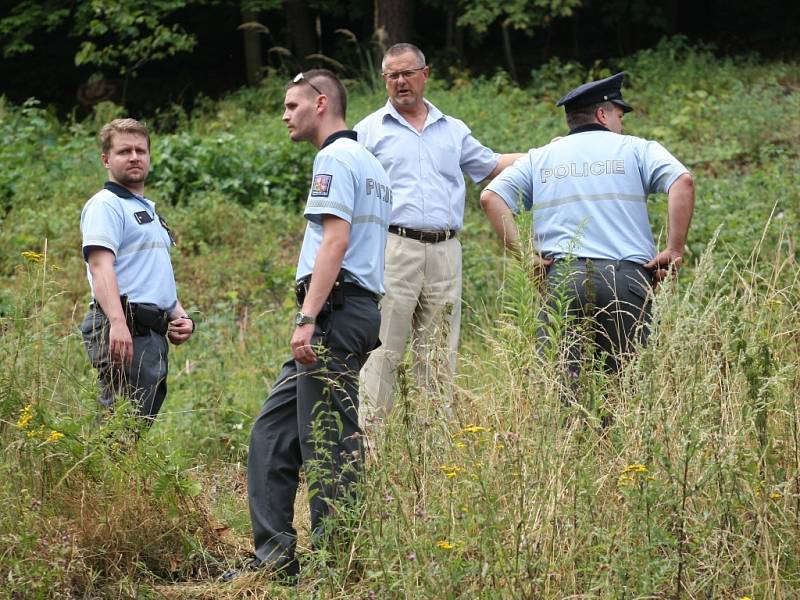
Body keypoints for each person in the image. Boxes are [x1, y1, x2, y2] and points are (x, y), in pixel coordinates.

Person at [227, 70, 392, 582]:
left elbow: (335, 242)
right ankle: (273, 559)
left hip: (335, 314)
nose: (285, 114)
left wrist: (307, 317)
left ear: (321, 104)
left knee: (328, 439)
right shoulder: (371, 164)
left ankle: (337, 566)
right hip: (352, 311)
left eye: (291, 104)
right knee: (273, 434)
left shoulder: (336, 157)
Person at [480, 72, 695, 375]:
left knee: (563, 387)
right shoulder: (637, 149)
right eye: (620, 116)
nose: (622, 125)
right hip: (626, 280)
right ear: (602, 114)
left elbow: (490, 198)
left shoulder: (540, 158)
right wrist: (674, 249)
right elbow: (682, 181)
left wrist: (526, 257)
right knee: (628, 385)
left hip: (563, 280)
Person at [355, 42, 523, 425]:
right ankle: (370, 445)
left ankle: (434, 452)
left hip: (446, 251)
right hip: (392, 249)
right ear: (384, 80)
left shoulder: (452, 130)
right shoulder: (367, 132)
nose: (400, 82)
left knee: (438, 351)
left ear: (425, 74)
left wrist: (547, 155)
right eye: (392, 76)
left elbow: (492, 164)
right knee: (383, 349)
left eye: (407, 73)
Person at [79, 118, 194, 429]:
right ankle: (96, 478)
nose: (134, 157)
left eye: (140, 151)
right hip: (124, 325)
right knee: (118, 423)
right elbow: (100, 266)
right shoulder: (106, 205)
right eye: (124, 151)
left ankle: (109, 478)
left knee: (132, 424)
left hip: (149, 330)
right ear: (106, 159)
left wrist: (178, 314)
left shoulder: (145, 210)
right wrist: (117, 322)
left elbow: (149, 273)